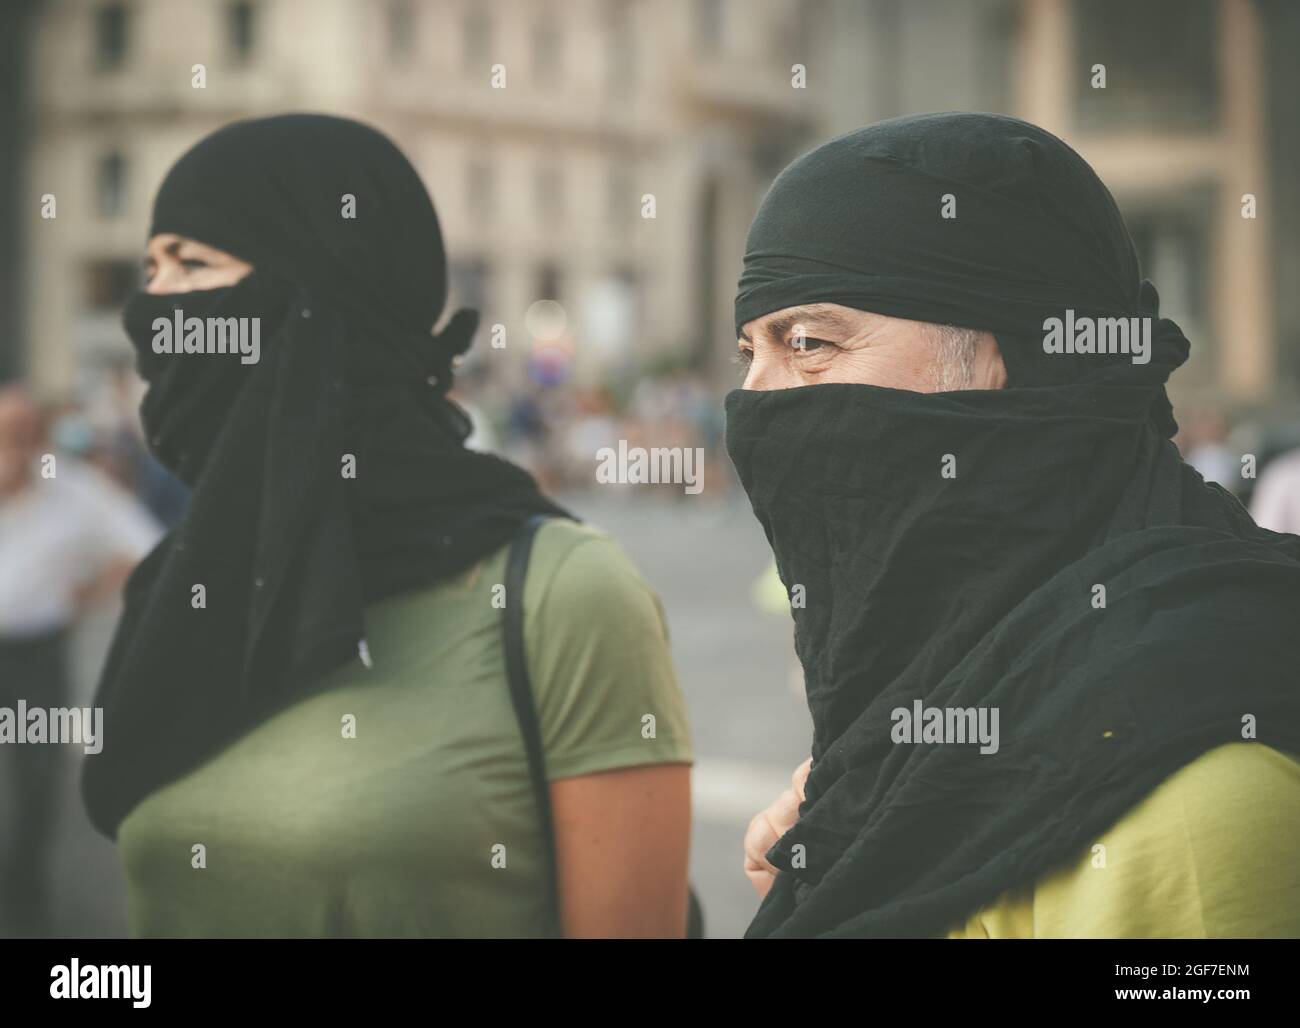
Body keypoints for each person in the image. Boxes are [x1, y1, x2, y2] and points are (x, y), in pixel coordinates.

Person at [79, 114, 694, 938]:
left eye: (191, 263)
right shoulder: (186, 582)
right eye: (149, 267)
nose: (154, 305)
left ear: (330, 287)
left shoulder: (562, 591)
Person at [728, 112, 1300, 938]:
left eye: (809, 340)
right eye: (748, 349)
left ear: (1011, 361)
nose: (755, 400)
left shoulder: (1191, 795)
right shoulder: (945, 700)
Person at [0, 384, 159, 934]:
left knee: (35, 775)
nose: (10, 451)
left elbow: (143, 545)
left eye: (21, 437)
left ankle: (24, 895)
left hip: (34, 653)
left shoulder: (70, 489)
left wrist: (92, 590)